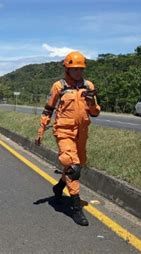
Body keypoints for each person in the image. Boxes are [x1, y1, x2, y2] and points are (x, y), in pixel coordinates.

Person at [35, 51, 101, 226]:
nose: (78, 72)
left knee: (80, 164)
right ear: (67, 69)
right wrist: (41, 129)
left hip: (82, 132)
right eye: (74, 69)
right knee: (72, 166)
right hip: (64, 130)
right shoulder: (59, 86)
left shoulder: (89, 85)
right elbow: (48, 109)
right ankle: (76, 208)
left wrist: (92, 102)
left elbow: (95, 113)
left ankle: (59, 187)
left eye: (81, 69)